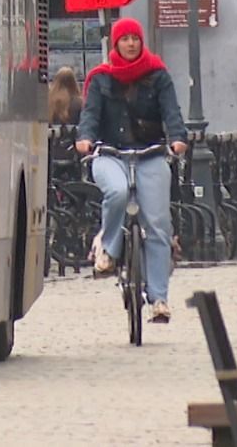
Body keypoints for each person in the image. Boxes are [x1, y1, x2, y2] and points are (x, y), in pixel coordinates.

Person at [72, 18, 188, 324]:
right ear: (116, 43)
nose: (131, 44)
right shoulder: (101, 79)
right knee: (118, 192)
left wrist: (177, 138)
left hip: (150, 154)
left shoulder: (158, 76)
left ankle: (159, 298)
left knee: (158, 225)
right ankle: (108, 250)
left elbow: (171, 111)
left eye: (135, 38)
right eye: (125, 39)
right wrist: (85, 139)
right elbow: (91, 114)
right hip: (111, 154)